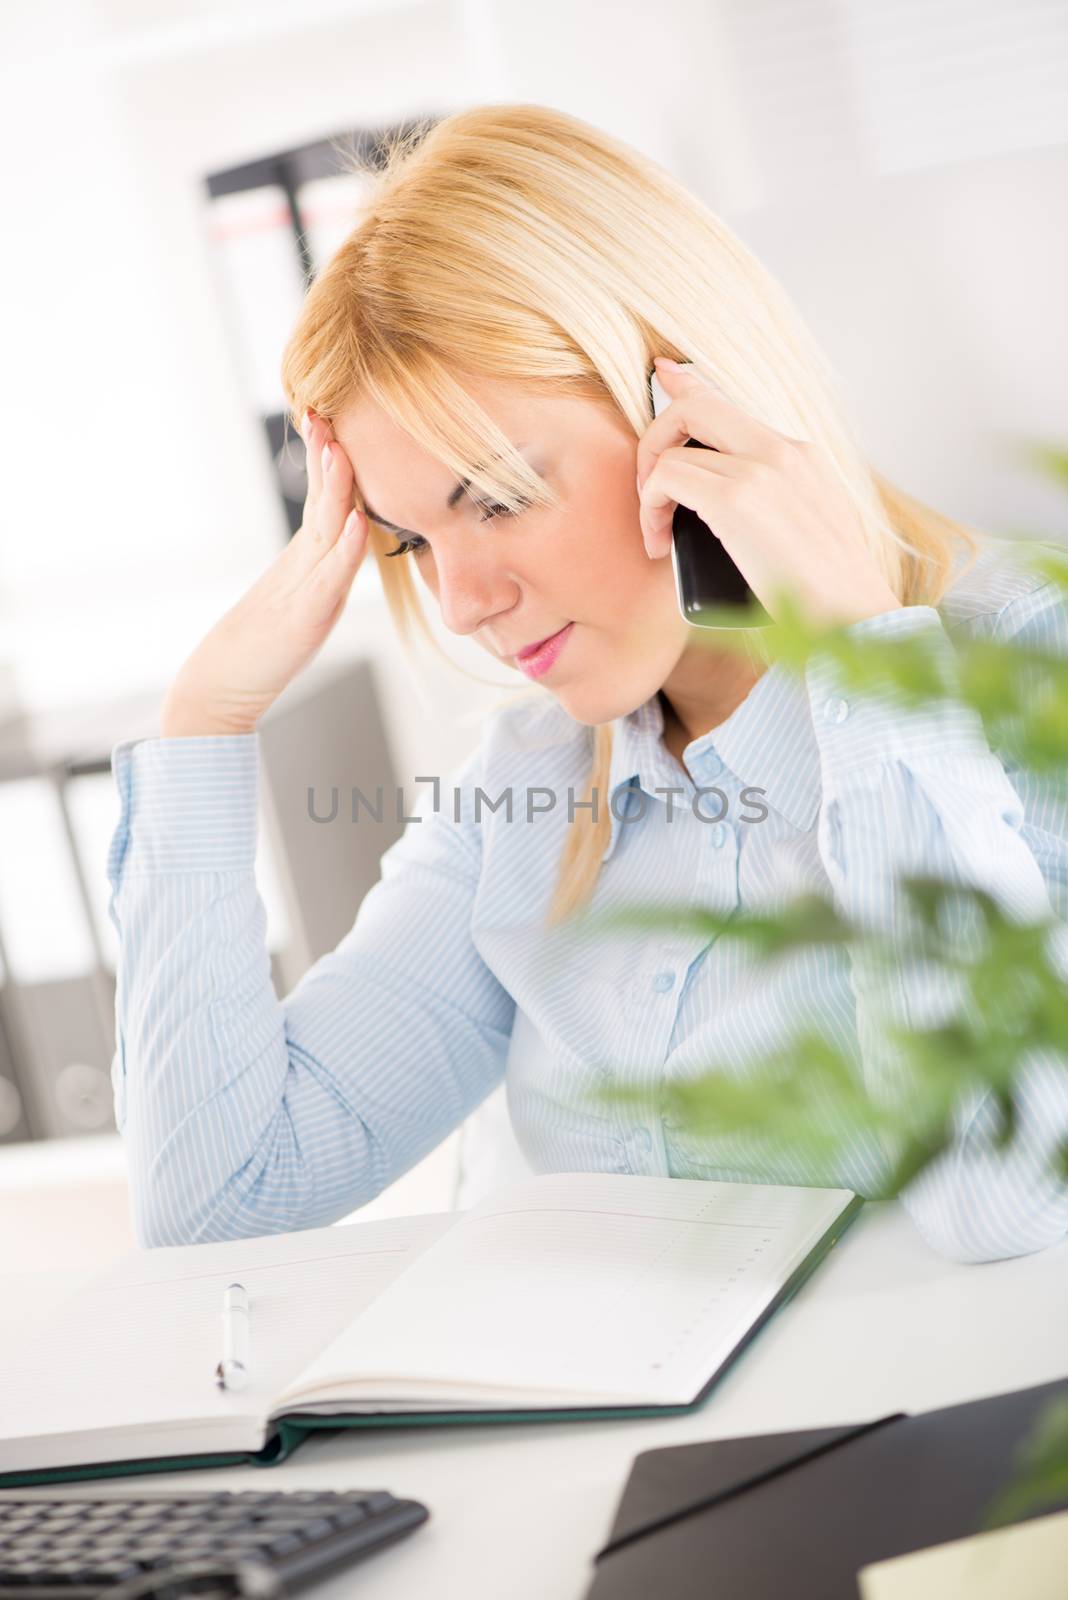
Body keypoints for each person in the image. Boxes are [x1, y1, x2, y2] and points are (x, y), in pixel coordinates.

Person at [107, 103, 1068, 1261]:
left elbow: (997, 1196)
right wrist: (203, 726)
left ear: (692, 408)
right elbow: (221, 1200)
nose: (461, 603)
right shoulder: (526, 794)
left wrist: (864, 657)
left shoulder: (1026, 678)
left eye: (500, 495)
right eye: (413, 540)